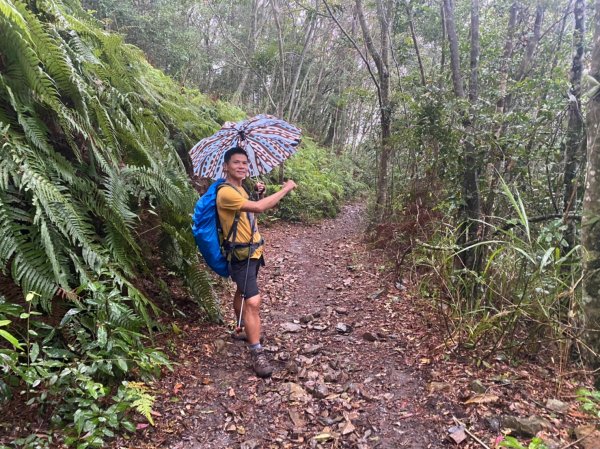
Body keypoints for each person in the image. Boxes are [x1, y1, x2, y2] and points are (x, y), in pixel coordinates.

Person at [217, 146, 297, 377]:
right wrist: (286, 188)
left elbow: (249, 212)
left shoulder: (239, 189)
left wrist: (258, 194)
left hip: (251, 252)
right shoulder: (226, 193)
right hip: (240, 255)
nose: (242, 166)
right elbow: (259, 209)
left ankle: (242, 328)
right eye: (236, 163)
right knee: (253, 301)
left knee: (242, 293)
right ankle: (256, 351)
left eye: (245, 163)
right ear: (226, 166)